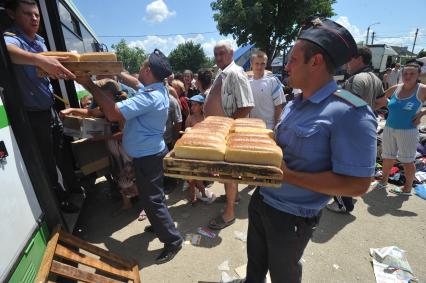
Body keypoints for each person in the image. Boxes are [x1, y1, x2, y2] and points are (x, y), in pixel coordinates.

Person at [235, 18, 377, 283]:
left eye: (293, 60)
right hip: (261, 201)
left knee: (283, 277)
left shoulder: (350, 112)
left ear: (316, 62)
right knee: (253, 269)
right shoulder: (293, 104)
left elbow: (358, 185)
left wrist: (289, 176)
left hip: (292, 218)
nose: (286, 66)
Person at [75, 49, 183, 264]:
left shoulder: (149, 98)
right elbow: (135, 83)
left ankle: (172, 240)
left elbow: (114, 112)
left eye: (142, 68)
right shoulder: (157, 88)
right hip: (150, 153)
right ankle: (159, 222)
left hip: (147, 156)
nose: (139, 71)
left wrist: (90, 84)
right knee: (154, 196)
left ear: (148, 70)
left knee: (151, 199)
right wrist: (115, 72)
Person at [4, 0, 79, 213]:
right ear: (12, 14)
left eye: (36, 14)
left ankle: (71, 186)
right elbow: (8, 53)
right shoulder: (10, 39)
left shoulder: (40, 40)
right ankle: (59, 200)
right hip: (33, 113)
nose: (35, 18)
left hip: (49, 109)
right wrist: (38, 60)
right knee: (46, 159)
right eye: (28, 14)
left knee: (60, 151)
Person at [327, 46, 386, 213]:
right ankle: (349, 195)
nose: (347, 63)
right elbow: (383, 102)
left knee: (340, 165)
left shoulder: (357, 79)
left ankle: (343, 203)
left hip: (351, 129)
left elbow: (350, 106)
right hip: (367, 126)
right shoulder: (375, 78)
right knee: (354, 166)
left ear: (359, 59)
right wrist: (368, 110)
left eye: (350, 59)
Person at [204, 40, 254, 230]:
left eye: (222, 53)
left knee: (228, 171)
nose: (218, 58)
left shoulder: (235, 73)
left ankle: (229, 213)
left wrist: (228, 125)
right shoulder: (223, 72)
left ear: (231, 53)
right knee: (227, 172)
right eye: (216, 54)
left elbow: (247, 104)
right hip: (221, 132)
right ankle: (235, 196)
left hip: (229, 132)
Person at [372, 61, 426, 195]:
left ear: (418, 74)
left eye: (412, 73)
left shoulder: (422, 89)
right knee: (387, 157)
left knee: (407, 161)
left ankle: (407, 188)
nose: (408, 76)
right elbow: (379, 99)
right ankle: (383, 181)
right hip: (389, 129)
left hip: (408, 131)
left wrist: (421, 113)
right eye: (405, 73)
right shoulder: (396, 88)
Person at [185, 94, 216, 205]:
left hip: (202, 150)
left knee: (197, 172)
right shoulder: (190, 118)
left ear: (201, 106)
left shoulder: (206, 118)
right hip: (191, 149)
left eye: (195, 105)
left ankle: (198, 192)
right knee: (191, 173)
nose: (192, 107)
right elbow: (186, 133)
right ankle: (196, 193)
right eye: (191, 105)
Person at [248, 50, 286, 129]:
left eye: (262, 64)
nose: (259, 67)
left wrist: (275, 127)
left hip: (268, 128)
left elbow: (279, 106)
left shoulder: (273, 81)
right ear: (251, 64)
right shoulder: (247, 83)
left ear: (266, 64)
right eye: (257, 63)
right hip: (251, 127)